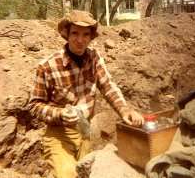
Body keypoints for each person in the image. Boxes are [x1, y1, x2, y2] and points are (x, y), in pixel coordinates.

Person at [28, 10, 144, 178]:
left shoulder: (94, 58)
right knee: (68, 174)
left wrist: (125, 111)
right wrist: (60, 114)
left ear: (91, 37)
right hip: (59, 133)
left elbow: (108, 86)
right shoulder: (47, 66)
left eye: (85, 34)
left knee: (87, 173)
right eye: (75, 33)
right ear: (66, 33)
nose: (80, 40)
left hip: (86, 132)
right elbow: (34, 105)